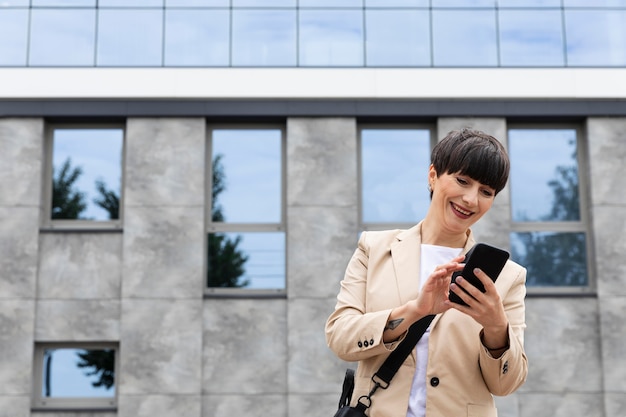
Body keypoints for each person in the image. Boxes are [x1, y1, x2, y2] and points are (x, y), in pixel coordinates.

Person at [325, 129, 528, 417]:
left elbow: (506, 384)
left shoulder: (507, 277)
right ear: (433, 175)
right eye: (462, 181)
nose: (471, 199)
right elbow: (340, 337)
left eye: (486, 192)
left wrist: (496, 328)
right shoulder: (375, 248)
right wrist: (415, 311)